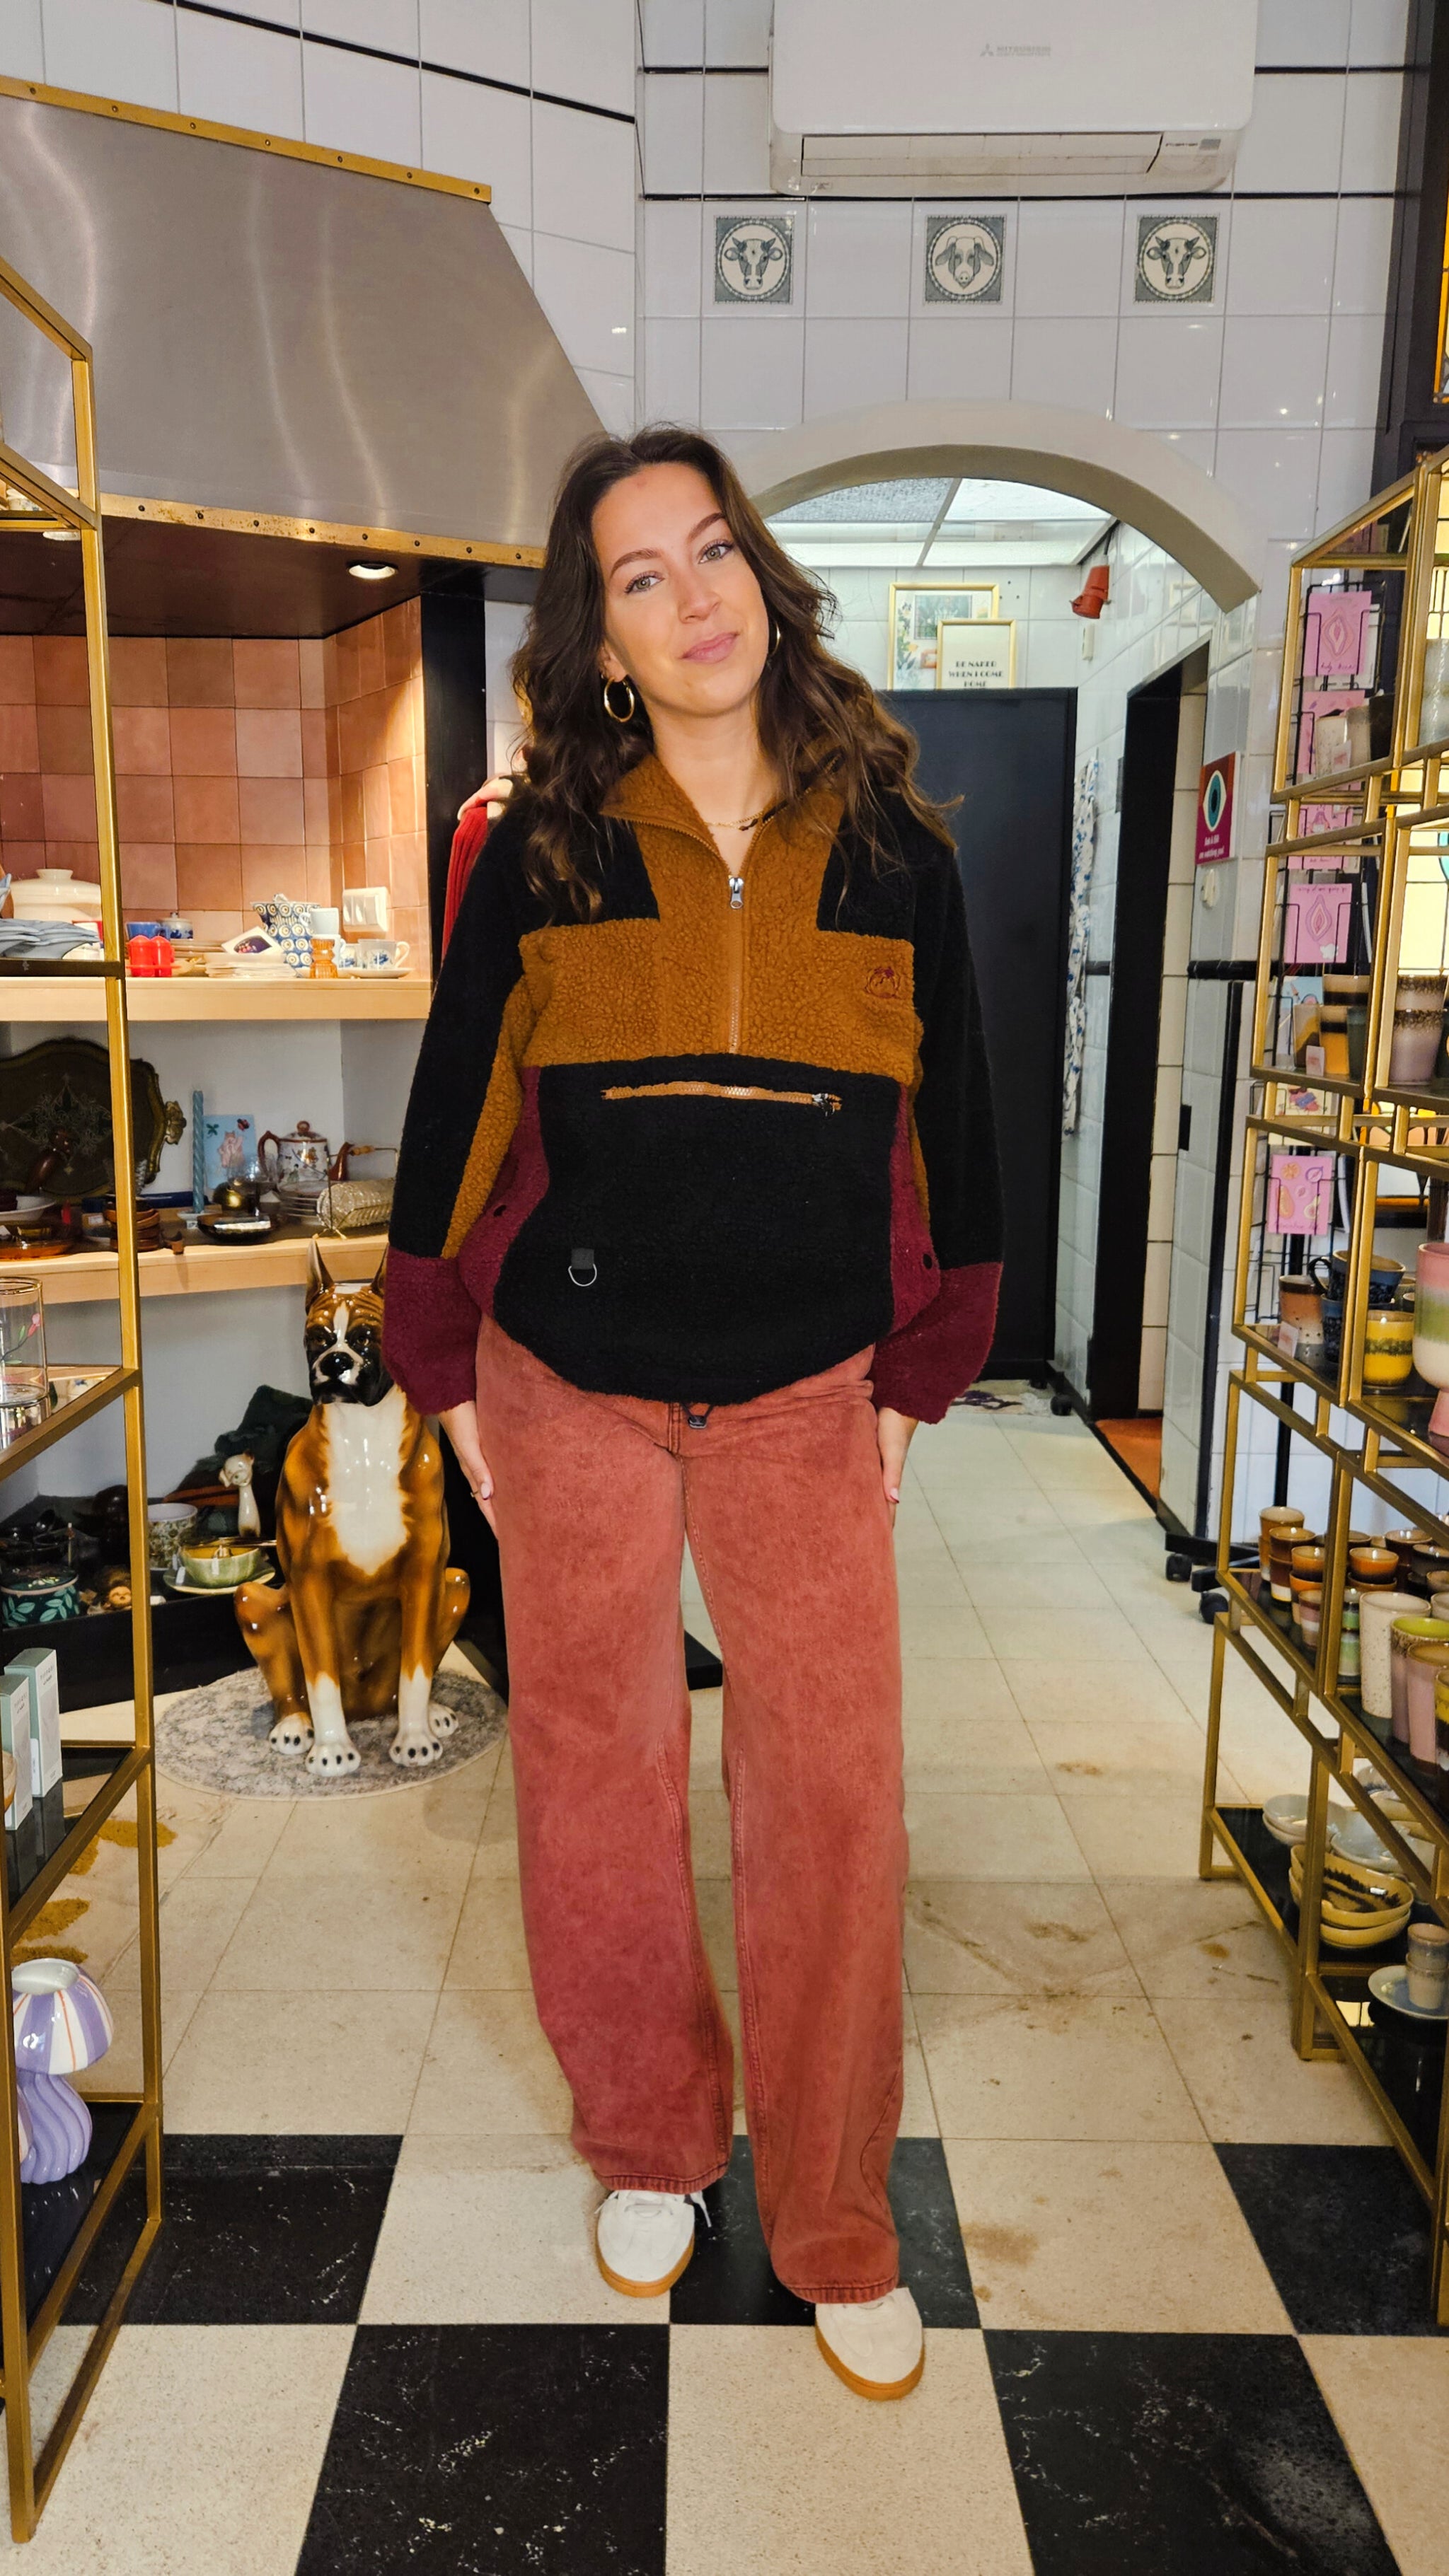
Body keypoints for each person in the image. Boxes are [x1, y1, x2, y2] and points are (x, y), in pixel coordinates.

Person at [384, 425, 1002, 2400]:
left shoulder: (898, 852)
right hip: (568, 1384)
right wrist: (436, 1353)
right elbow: (459, 1098)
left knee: (831, 1799)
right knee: (597, 1780)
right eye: (638, 575)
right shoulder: (539, 851)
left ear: (763, 578)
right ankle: (652, 2136)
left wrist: (929, 1362)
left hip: (809, 1385)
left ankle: (829, 2212)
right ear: (602, 639)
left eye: (712, 549)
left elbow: (956, 1118)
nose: (692, 596)